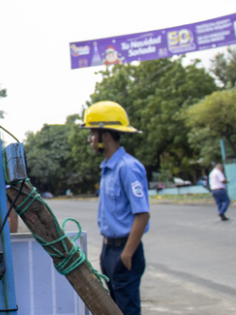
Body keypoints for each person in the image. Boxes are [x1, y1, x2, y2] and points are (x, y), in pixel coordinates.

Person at [81, 101, 150, 315]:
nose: (90, 140)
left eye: (93, 134)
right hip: (109, 250)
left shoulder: (128, 168)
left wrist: (127, 254)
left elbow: (142, 214)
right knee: (113, 309)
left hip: (125, 250)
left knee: (127, 310)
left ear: (106, 136)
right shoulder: (108, 168)